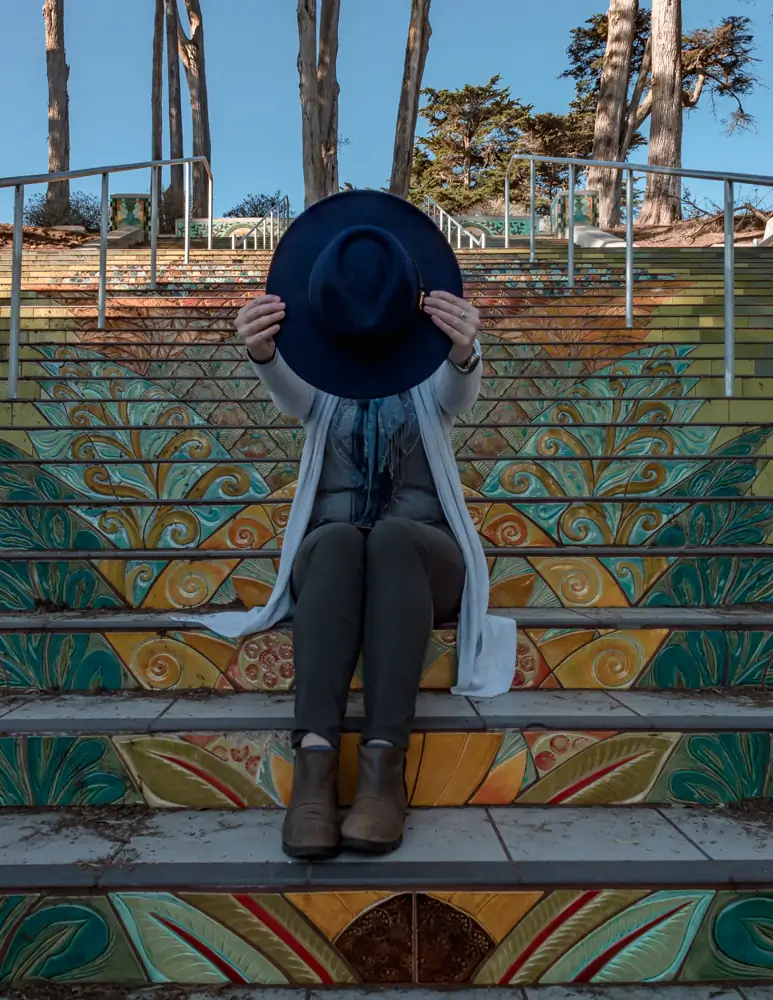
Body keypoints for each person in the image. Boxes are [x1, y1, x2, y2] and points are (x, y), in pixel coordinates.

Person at [179, 191, 517, 859]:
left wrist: (463, 351)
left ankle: (383, 770)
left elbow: (459, 393)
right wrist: (266, 354)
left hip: (423, 559)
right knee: (332, 539)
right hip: (334, 560)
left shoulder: (429, 379)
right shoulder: (321, 378)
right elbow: (289, 394)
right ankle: (312, 771)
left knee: (392, 537)